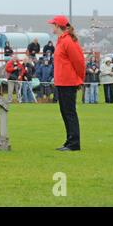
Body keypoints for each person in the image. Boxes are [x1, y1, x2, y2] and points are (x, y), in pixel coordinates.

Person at [47, 15, 85, 151]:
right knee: (65, 112)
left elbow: (79, 62)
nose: (51, 26)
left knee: (69, 113)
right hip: (62, 82)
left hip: (68, 82)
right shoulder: (61, 40)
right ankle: (70, 141)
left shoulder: (68, 41)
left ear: (58, 26)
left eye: (53, 24)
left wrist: (79, 79)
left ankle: (74, 143)